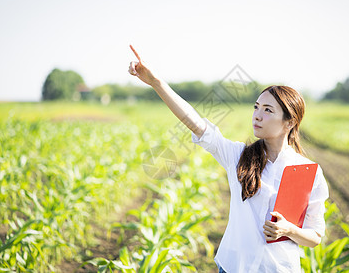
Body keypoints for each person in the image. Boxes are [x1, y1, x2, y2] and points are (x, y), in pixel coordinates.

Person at [128, 45, 329, 273]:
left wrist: (288, 230)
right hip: (233, 267)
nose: (257, 115)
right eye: (256, 107)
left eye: (268, 110)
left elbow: (314, 236)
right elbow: (196, 123)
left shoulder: (305, 171)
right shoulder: (239, 156)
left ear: (290, 122)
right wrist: (156, 82)